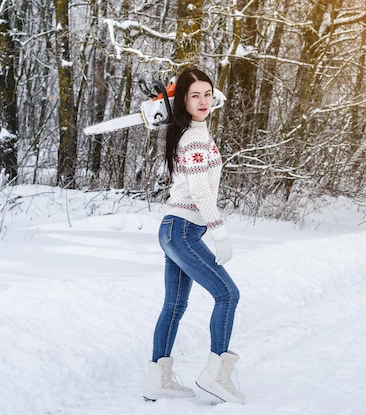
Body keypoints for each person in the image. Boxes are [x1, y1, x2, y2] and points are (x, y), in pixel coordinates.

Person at [142, 67, 244, 404]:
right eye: (194, 95)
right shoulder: (196, 138)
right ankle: (216, 377)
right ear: (182, 101)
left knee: (174, 305)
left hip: (173, 229)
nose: (203, 101)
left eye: (207, 94)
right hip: (184, 230)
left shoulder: (189, 132)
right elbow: (201, 193)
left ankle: (158, 379)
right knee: (227, 294)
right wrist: (220, 233)